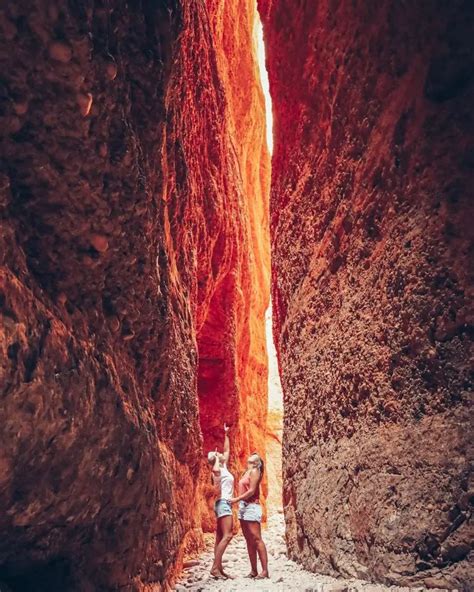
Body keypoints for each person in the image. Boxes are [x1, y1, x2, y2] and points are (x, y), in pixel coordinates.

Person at [230, 452, 269, 579]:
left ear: (257, 463)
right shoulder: (247, 471)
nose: (249, 461)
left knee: (257, 539)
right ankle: (253, 571)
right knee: (249, 540)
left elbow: (252, 491)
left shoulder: (255, 471)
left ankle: (264, 571)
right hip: (243, 507)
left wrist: (236, 499)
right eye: (249, 460)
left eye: (252, 460)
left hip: (252, 507)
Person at [207, 423, 234, 579]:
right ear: (215, 459)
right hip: (224, 503)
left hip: (221, 504)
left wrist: (226, 434)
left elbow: (227, 450)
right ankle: (215, 569)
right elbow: (215, 469)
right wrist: (216, 458)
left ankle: (218, 567)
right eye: (217, 455)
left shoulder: (223, 468)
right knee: (228, 535)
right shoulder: (217, 471)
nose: (221, 454)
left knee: (219, 536)